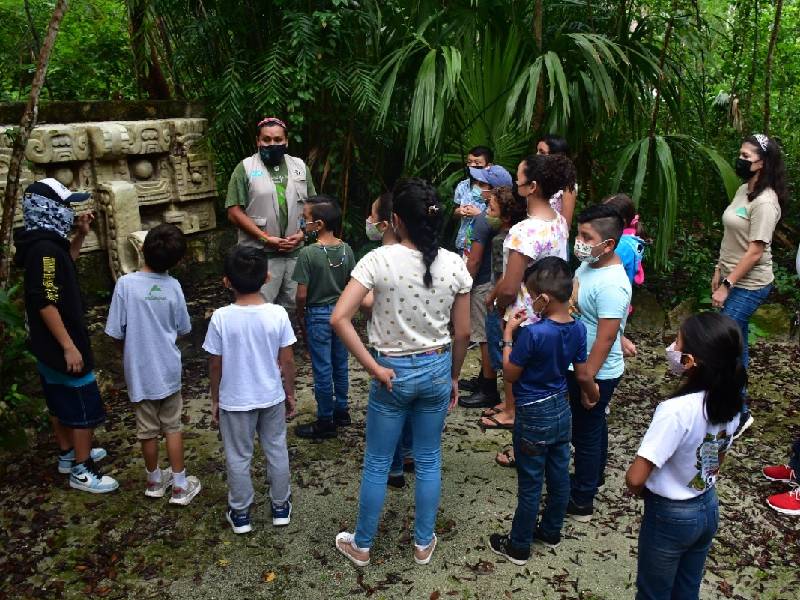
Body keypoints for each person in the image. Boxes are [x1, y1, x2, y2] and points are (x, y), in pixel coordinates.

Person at [331, 178, 471, 567]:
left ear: (394, 220)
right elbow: (462, 332)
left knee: (377, 461)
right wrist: (454, 376)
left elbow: (339, 318)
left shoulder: (378, 260)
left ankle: (362, 544)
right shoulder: (455, 263)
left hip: (391, 372)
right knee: (428, 458)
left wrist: (373, 366)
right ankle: (423, 544)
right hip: (437, 366)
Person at [488, 258, 599, 565]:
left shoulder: (534, 334)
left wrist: (509, 334)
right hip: (561, 406)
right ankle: (551, 530)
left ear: (544, 299)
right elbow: (581, 372)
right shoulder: (578, 329)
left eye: (531, 295)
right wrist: (592, 393)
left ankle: (519, 545)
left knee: (531, 482)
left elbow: (510, 374)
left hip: (533, 412)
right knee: (559, 472)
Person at [626, 312, 744, 599]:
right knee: (687, 588)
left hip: (670, 514)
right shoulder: (731, 400)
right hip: (707, 506)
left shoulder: (675, 411)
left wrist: (642, 490)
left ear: (691, 361)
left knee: (653, 593)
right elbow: (716, 457)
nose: (672, 348)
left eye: (677, 343)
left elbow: (636, 477)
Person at [13, 178, 117, 493]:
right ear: (47, 208)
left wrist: (80, 236)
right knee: (83, 404)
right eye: (65, 206)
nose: (69, 212)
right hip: (60, 341)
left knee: (58, 398)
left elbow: (60, 272)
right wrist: (69, 346)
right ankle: (82, 470)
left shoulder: (42, 242)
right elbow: (46, 300)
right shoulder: (45, 249)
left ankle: (67, 453)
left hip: (45, 345)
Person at [203, 246, 296, 533]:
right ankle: (280, 506)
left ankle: (241, 512)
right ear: (268, 277)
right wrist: (290, 393)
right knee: (276, 449)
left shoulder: (220, 317)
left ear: (226, 281)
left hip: (235, 399)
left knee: (238, 456)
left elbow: (215, 365)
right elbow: (288, 360)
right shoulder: (278, 313)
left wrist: (215, 398)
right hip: (270, 395)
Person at [105, 224, 200, 504]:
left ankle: (154, 480)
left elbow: (114, 332)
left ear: (143, 250)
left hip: (139, 370)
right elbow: (183, 327)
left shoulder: (125, 285)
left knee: (146, 429)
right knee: (172, 426)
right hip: (168, 368)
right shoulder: (173, 286)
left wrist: (130, 350)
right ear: (177, 260)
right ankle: (181, 484)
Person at [481, 154, 573, 431]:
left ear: (531, 186)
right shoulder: (559, 222)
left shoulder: (524, 230)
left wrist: (499, 307)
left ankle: (522, 437)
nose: (515, 182)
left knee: (520, 380)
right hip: (552, 312)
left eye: (518, 177)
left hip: (524, 318)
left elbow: (510, 286)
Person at [712, 134, 787, 439]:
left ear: (762, 163)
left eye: (746, 156)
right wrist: (718, 269)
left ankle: (737, 410)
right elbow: (730, 235)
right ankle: (736, 407)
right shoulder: (744, 190)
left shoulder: (767, 202)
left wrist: (728, 285)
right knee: (736, 343)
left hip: (751, 284)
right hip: (730, 275)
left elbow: (755, 251)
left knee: (724, 340)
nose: (740, 160)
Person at [567, 204, 632, 522]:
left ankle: (581, 500)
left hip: (595, 371)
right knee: (591, 427)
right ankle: (593, 479)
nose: (578, 241)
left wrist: (587, 378)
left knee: (586, 432)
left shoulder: (612, 284)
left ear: (608, 244)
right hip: (580, 366)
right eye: (579, 233)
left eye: (585, 236)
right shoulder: (589, 266)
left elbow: (607, 337)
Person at [224, 117, 317, 311]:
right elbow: (233, 211)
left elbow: (314, 207)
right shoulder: (246, 168)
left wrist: (302, 234)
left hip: (295, 253)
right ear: (258, 141)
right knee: (258, 308)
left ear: (286, 141)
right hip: (258, 255)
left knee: (291, 308)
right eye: (266, 140)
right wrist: (265, 238)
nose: (272, 144)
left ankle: (286, 341)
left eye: (277, 140)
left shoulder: (300, 167)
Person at [292, 195, 356, 440]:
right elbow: (352, 284)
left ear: (318, 225)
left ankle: (325, 419)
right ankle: (342, 411)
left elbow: (301, 295)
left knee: (322, 368)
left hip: (317, 315)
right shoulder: (346, 249)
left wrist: (301, 314)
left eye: (305, 218)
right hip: (342, 314)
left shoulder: (308, 254)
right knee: (340, 364)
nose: (302, 222)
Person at [364, 193, 416, 487]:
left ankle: (394, 469)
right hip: (418, 348)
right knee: (409, 406)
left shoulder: (376, 260)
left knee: (390, 411)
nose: (368, 222)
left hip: (387, 348)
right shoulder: (422, 255)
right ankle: (409, 454)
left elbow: (368, 303)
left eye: (372, 217)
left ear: (386, 223)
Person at [459, 165, 513, 409]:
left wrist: (464, 284)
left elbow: (475, 259)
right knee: (485, 334)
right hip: (488, 281)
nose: (478, 187)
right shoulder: (491, 216)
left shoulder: (484, 220)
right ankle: (483, 378)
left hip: (482, 283)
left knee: (482, 336)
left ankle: (488, 388)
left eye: (483, 184)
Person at [604, 193, 646, 358]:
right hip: (617, 300)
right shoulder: (628, 241)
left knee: (607, 339)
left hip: (611, 300)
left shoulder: (622, 246)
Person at [452, 146, 493, 253]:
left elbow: (501, 222)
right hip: (462, 245)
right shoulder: (462, 186)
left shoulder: (497, 190)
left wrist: (479, 215)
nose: (472, 166)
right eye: (469, 162)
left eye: (477, 163)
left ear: (488, 166)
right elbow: (454, 213)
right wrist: (459, 211)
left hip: (485, 249)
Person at [536, 134, 577, 226]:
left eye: (542, 152)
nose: (537, 155)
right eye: (537, 151)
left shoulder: (567, 186)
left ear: (556, 156)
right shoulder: (536, 179)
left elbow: (565, 225)